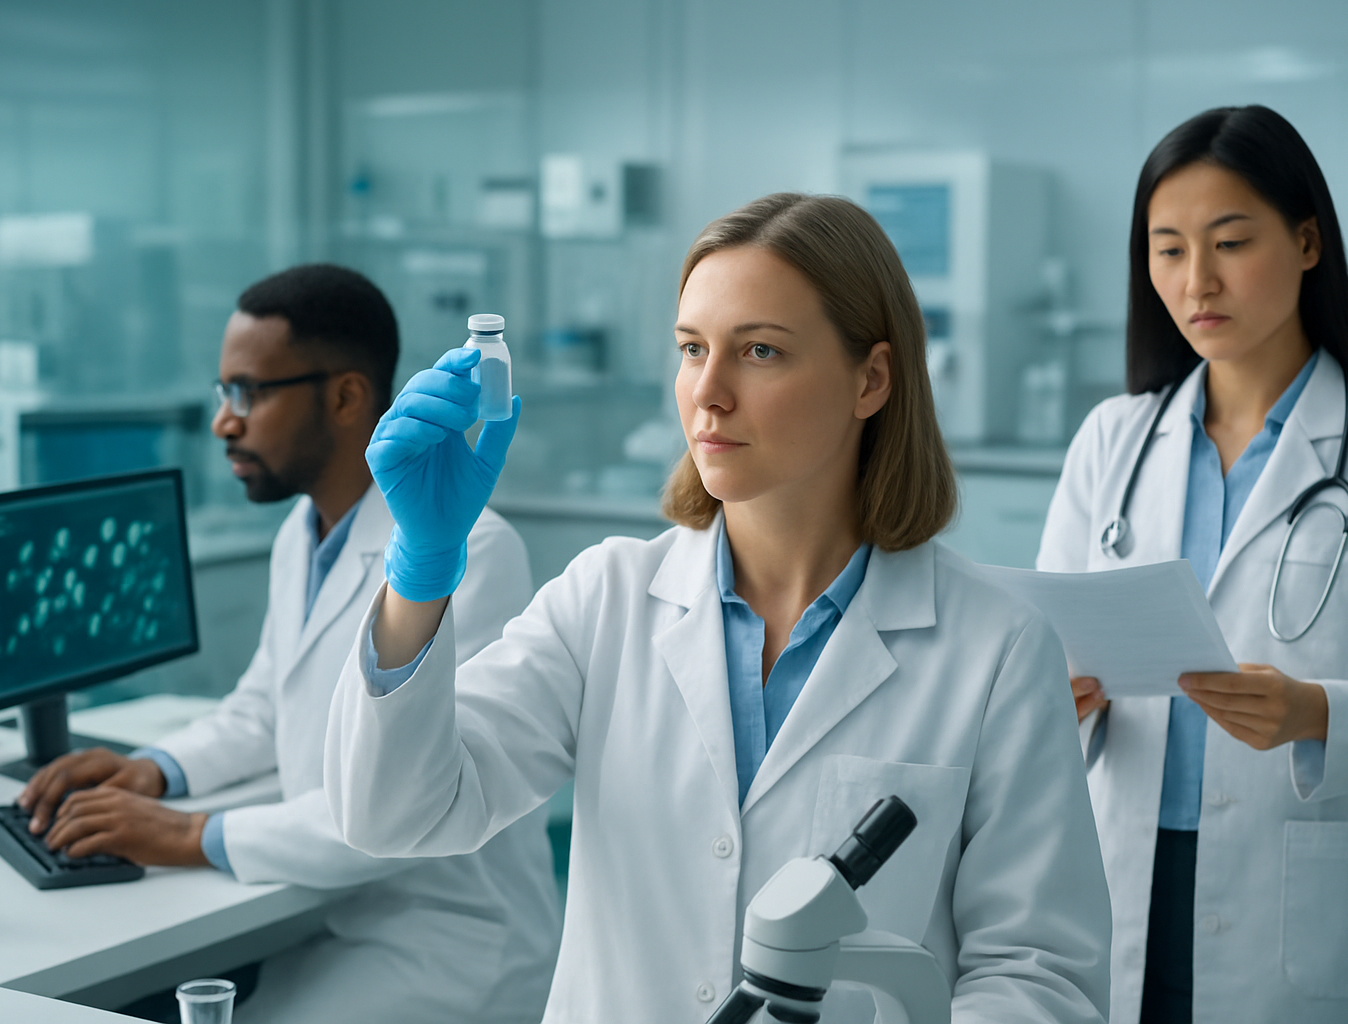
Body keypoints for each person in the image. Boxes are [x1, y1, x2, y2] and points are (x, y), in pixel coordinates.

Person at [320, 193, 1112, 1021]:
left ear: (871, 379)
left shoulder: (996, 648)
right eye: (692, 349)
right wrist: (421, 571)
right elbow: (392, 815)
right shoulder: (607, 599)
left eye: (760, 351)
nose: (708, 392)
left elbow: (1038, 973)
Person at [1038, 106, 1348, 1024]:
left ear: (1308, 242)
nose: (1196, 280)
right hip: (1122, 873)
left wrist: (1313, 711)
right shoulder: (1113, 440)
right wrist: (1055, 694)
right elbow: (1041, 650)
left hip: (1302, 893)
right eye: (1168, 250)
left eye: (1231, 242)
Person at [16, 264, 561, 1024]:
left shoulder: (468, 550)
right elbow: (264, 708)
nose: (223, 423)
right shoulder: (301, 534)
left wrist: (191, 833)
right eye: (223, 393)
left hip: (447, 942)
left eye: (248, 393)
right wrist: (155, 770)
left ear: (345, 397)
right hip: (330, 919)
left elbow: (402, 798)